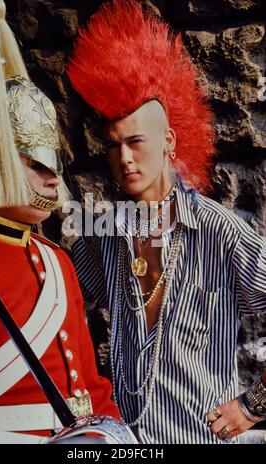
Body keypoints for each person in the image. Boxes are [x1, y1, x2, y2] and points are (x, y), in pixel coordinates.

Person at [68, 0, 266, 444]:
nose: (124, 158)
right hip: (121, 442)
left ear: (169, 141)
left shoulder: (218, 230)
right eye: (113, 145)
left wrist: (255, 405)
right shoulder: (103, 234)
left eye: (136, 141)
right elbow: (62, 307)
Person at [0, 0, 120, 441]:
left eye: (53, 162)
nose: (52, 178)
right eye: (34, 163)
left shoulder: (57, 262)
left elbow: (92, 392)